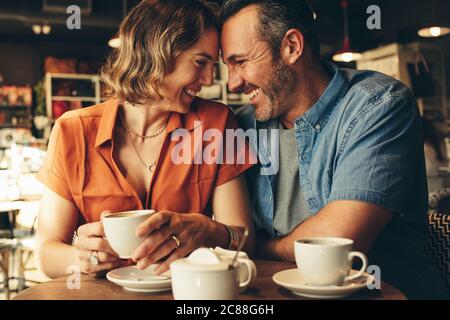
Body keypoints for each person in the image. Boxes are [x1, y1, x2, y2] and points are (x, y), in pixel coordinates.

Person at [219, 0, 449, 298]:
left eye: (241, 62)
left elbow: (339, 242)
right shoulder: (240, 126)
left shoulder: (379, 104)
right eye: (227, 66)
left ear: (291, 46)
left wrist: (254, 246)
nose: (233, 82)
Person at [35, 0, 255, 279]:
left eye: (213, 65)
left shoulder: (218, 124)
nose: (210, 79)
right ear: (156, 52)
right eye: (200, 63)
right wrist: (80, 258)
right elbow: (45, 253)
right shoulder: (73, 131)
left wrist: (210, 231)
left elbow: (245, 240)